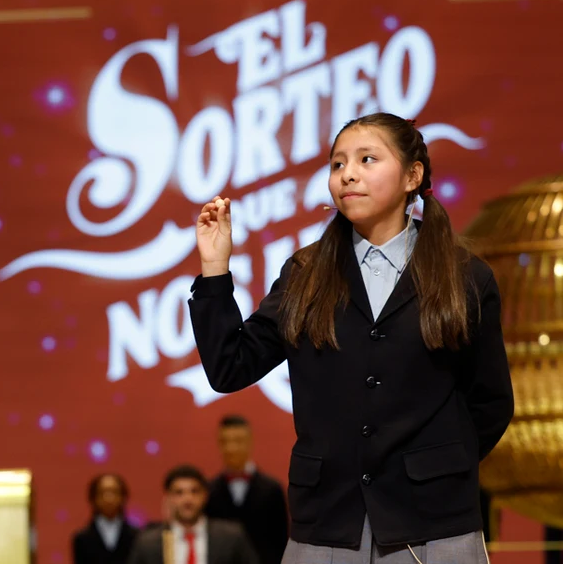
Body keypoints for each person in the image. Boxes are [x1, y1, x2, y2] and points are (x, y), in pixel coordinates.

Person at [189, 113, 514, 563]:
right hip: (326, 525)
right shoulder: (305, 274)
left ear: (412, 176)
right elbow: (230, 367)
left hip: (432, 526)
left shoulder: (464, 277)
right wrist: (214, 269)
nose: (348, 175)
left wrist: (436, 469)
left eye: (367, 159)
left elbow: (491, 401)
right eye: (337, 164)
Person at [127, 465, 259, 564]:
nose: (188, 499)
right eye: (179, 493)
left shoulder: (232, 537)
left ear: (205, 496)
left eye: (194, 491)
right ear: (168, 498)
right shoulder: (148, 543)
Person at [204, 415, 288, 564]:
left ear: (249, 441)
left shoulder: (272, 490)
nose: (231, 448)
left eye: (238, 441)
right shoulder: (210, 491)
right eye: (225, 441)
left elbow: (280, 541)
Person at [71, 473, 139, 564]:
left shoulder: (137, 537)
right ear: (93, 498)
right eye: (102, 493)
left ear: (123, 497)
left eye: (114, 492)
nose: (108, 498)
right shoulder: (82, 538)